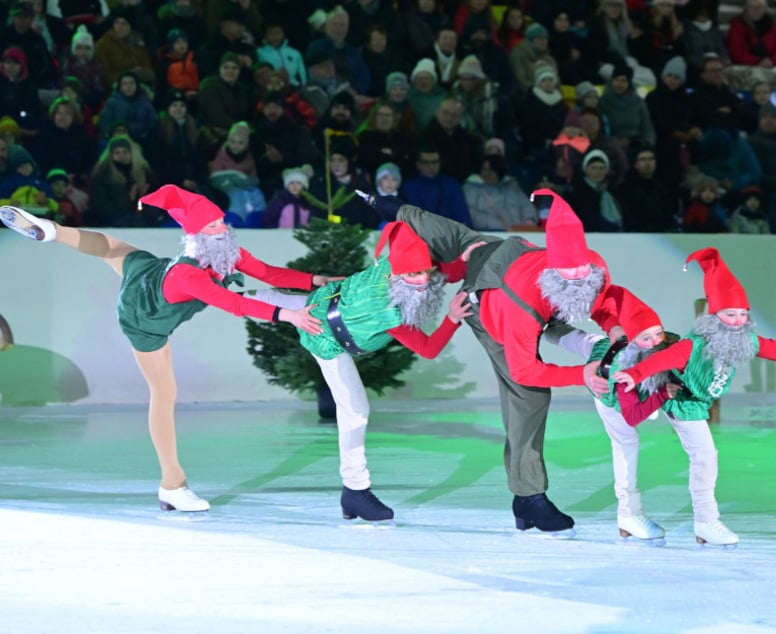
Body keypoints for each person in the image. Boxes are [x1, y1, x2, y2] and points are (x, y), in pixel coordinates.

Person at [0, 186, 331, 512]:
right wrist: (289, 315)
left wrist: (314, 279)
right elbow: (232, 303)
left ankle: (52, 231)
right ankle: (172, 482)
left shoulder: (227, 253)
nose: (222, 229)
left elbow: (268, 272)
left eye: (221, 221)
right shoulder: (189, 274)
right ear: (196, 235)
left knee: (110, 248)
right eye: (212, 226)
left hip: (149, 270)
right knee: (164, 391)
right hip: (144, 316)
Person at [364, 188, 628, 535]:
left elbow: (603, 296)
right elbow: (524, 370)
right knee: (530, 395)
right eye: (570, 274)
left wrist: (614, 327)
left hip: (492, 248)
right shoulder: (516, 311)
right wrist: (583, 374)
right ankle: (528, 497)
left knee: (441, 227)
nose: (580, 276)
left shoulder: (588, 264)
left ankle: (385, 203)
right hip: (490, 300)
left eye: (583, 271)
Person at [248, 221, 477, 522]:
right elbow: (428, 349)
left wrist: (463, 262)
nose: (421, 280)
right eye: (412, 275)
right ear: (395, 274)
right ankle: (355, 491)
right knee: (355, 410)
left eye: (424, 272)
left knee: (275, 300)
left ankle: (231, 292)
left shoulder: (392, 263)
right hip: (327, 336)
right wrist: (451, 318)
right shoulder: (388, 310)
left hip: (325, 300)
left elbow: (437, 271)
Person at [613, 247, 776, 546]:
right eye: (729, 314)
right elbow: (661, 360)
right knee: (705, 457)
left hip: (701, 401)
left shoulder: (744, 338)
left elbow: (770, 347)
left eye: (742, 314)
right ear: (715, 315)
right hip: (682, 401)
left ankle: (705, 523)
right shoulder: (693, 345)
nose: (737, 320)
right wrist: (634, 375)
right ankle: (707, 522)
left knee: (705, 457)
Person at [543, 287, 683, 543]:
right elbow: (631, 416)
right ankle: (629, 514)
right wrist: (662, 394)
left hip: (605, 346)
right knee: (627, 442)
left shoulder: (663, 344)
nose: (654, 341)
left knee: (584, 340)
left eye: (657, 333)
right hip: (609, 395)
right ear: (632, 340)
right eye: (646, 337)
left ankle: (552, 328)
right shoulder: (620, 371)